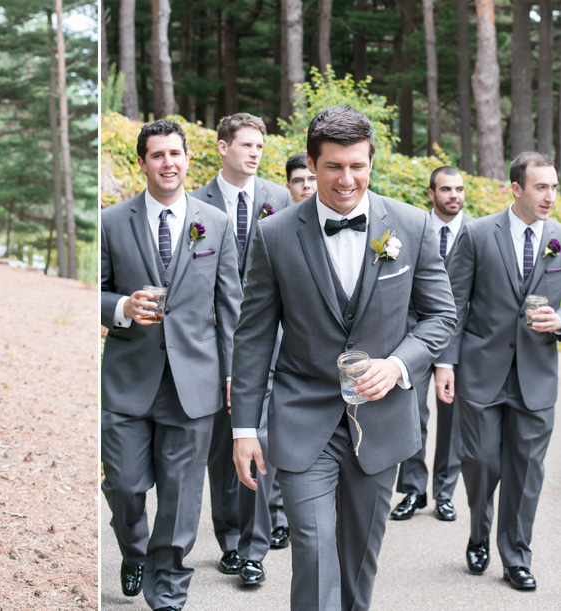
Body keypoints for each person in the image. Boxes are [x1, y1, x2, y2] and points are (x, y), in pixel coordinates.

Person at [231, 105, 456, 611]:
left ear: (371, 161)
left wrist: (398, 364)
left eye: (357, 165)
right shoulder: (275, 235)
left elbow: (441, 317)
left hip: (381, 420)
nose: (346, 179)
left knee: (359, 558)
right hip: (301, 415)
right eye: (333, 166)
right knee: (311, 550)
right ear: (311, 164)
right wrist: (244, 429)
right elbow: (253, 337)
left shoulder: (412, 225)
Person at [100, 119, 241, 611]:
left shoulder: (215, 224)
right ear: (142, 163)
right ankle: (134, 550)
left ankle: (169, 591)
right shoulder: (111, 221)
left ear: (188, 160)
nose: (168, 163)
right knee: (123, 486)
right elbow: (91, 293)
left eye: (175, 154)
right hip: (127, 380)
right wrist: (120, 308)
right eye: (157, 155)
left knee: (181, 497)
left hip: (195, 382)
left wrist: (232, 375)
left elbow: (230, 306)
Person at [434, 152, 561, 591]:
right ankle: (478, 530)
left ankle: (516, 557)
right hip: (481, 371)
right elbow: (450, 304)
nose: (550, 196)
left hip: (537, 376)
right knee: (482, 463)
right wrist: (445, 362)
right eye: (541, 187)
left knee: (527, 472)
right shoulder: (476, 233)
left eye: (554, 186)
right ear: (516, 189)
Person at [191, 113, 291, 585]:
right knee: (221, 452)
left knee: (259, 442)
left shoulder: (279, 198)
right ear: (222, 147)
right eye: (246, 144)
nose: (254, 153)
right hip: (211, 346)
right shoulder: (196, 205)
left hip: (268, 344)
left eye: (260, 146)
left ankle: (254, 550)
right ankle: (229, 540)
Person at [391, 166, 470, 522]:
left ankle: (444, 492)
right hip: (413, 337)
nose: (454, 195)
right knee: (412, 415)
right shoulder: (409, 227)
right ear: (431, 193)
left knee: (452, 419)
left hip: (462, 343)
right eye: (446, 189)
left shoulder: (478, 232)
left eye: (459, 189)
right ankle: (412, 490)